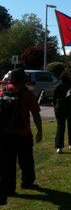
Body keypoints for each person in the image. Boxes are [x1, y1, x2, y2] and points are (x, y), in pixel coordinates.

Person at [0, 68, 42, 197]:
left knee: (8, 162)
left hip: (6, 133)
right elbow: (35, 114)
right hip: (23, 133)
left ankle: (8, 189)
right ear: (24, 79)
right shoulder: (28, 94)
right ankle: (27, 182)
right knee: (26, 160)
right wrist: (40, 131)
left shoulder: (3, 91)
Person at [53, 71, 71, 154]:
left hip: (60, 109)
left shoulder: (59, 86)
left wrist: (55, 108)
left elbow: (54, 98)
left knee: (60, 127)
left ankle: (59, 147)